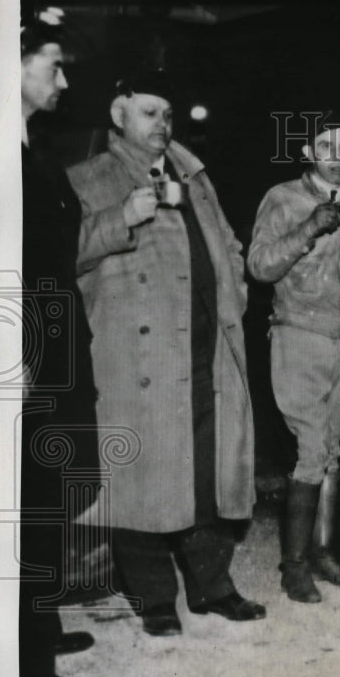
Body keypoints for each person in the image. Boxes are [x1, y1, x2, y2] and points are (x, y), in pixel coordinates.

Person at [69, 70, 264, 636]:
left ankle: (213, 586)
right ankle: (153, 596)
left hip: (206, 345)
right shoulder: (87, 177)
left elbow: (226, 238)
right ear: (118, 115)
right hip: (140, 356)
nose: (163, 124)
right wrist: (119, 219)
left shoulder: (192, 175)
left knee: (209, 471)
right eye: (150, 112)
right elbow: (56, 252)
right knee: (143, 478)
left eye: (168, 114)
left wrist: (237, 292)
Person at [248, 115, 340, 602]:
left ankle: (322, 551)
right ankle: (293, 565)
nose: (338, 153)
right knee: (312, 450)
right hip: (300, 337)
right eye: (327, 145)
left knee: (330, 451)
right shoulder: (282, 198)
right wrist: (309, 227)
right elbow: (260, 265)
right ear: (309, 152)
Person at [18, 12, 99, 677]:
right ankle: (21, 656)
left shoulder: (35, 147)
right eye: (53, 62)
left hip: (49, 349)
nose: (64, 79)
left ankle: (37, 625)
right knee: (19, 504)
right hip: (15, 356)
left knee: (45, 495)